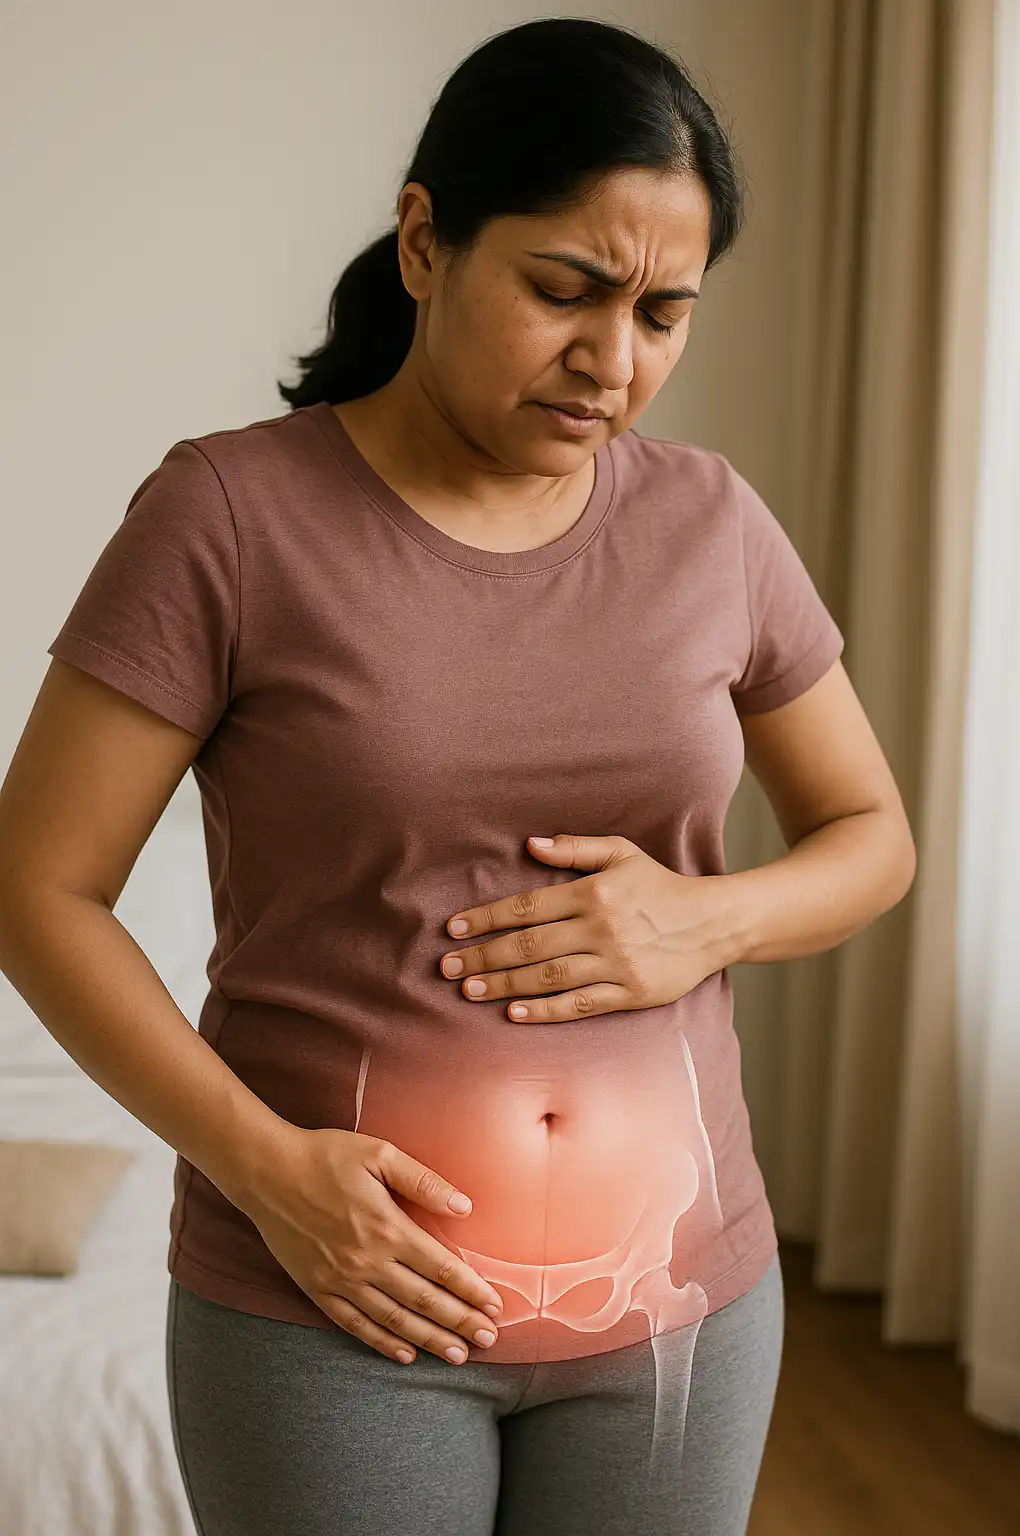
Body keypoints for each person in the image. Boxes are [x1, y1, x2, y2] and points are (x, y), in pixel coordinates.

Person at [0, 15, 918, 1536]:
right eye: (564, 291)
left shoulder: (712, 523)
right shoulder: (231, 517)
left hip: (681, 1301)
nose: (614, 362)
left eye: (664, 314)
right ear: (426, 241)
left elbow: (872, 834)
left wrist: (706, 920)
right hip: (330, 1309)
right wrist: (268, 1173)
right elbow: (38, 887)